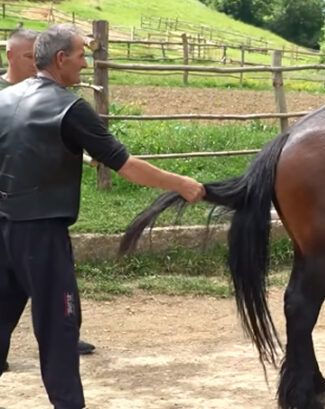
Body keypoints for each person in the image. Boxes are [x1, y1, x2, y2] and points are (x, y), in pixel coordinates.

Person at [0, 24, 205, 409]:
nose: (85, 63)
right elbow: (125, 165)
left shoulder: (5, 101)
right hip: (41, 236)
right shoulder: (70, 107)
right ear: (60, 59)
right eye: (81, 55)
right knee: (59, 331)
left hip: (3, 226)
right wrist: (180, 183)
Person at [0, 28, 98, 365]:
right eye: (28, 57)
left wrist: (85, 155)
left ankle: (64, 334)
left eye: (36, 56)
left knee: (47, 280)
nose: (34, 64)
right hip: (12, 205)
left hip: (36, 205)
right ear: (10, 56)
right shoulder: (6, 96)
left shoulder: (43, 97)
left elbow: (44, 146)